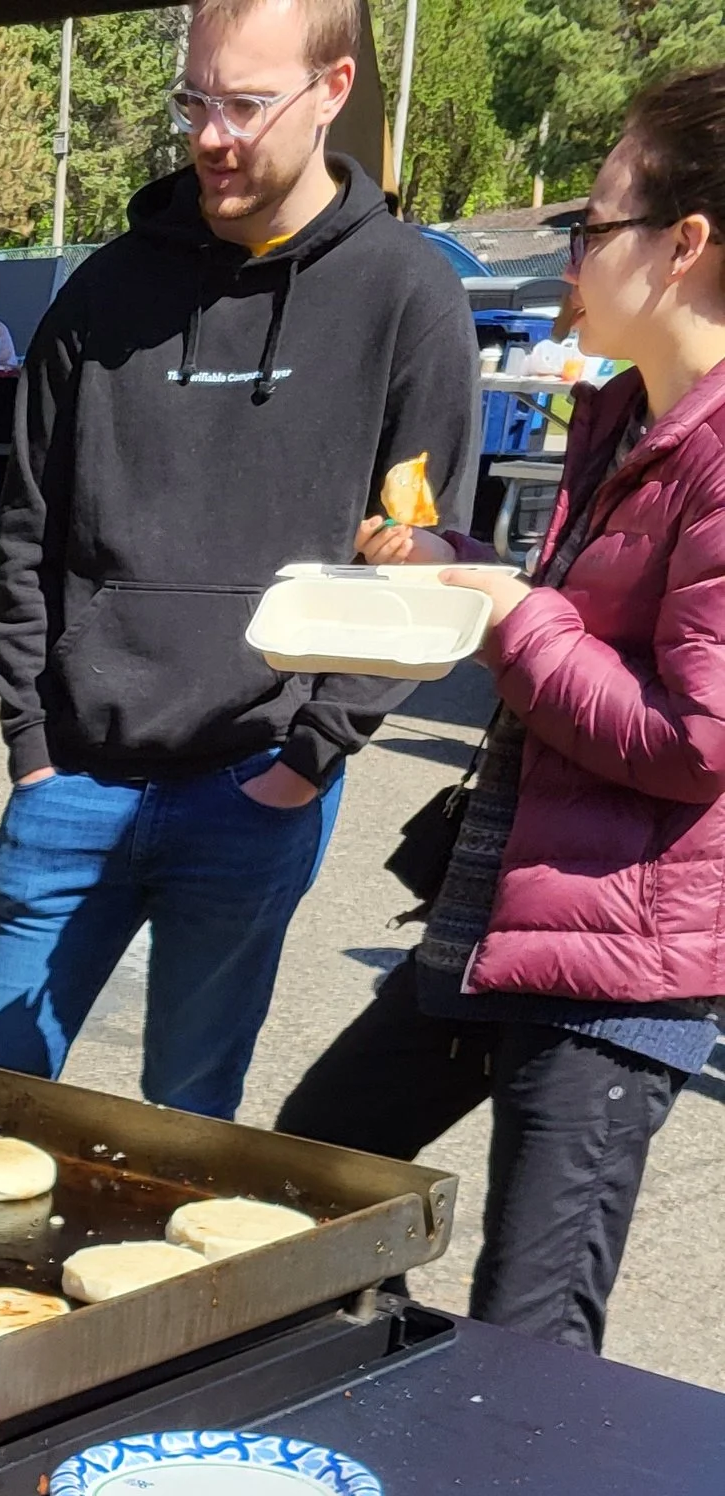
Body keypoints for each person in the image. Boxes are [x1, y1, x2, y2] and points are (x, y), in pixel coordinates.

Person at [0, 0, 480, 1122]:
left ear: (333, 89)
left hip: (253, 784)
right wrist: (32, 744)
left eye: (245, 103)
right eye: (194, 99)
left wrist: (307, 759)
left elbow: (420, 565)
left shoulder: (404, 295)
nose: (210, 135)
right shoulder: (103, 293)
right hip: (73, 781)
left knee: (188, 1125)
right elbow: (28, 527)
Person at [279, 67, 725, 1353]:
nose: (572, 253)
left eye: (594, 223)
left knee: (529, 1345)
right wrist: (456, 569)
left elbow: (696, 738)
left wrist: (504, 617)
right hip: (499, 921)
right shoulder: (621, 416)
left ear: (686, 244)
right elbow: (583, 624)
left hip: (612, 979)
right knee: (303, 1182)